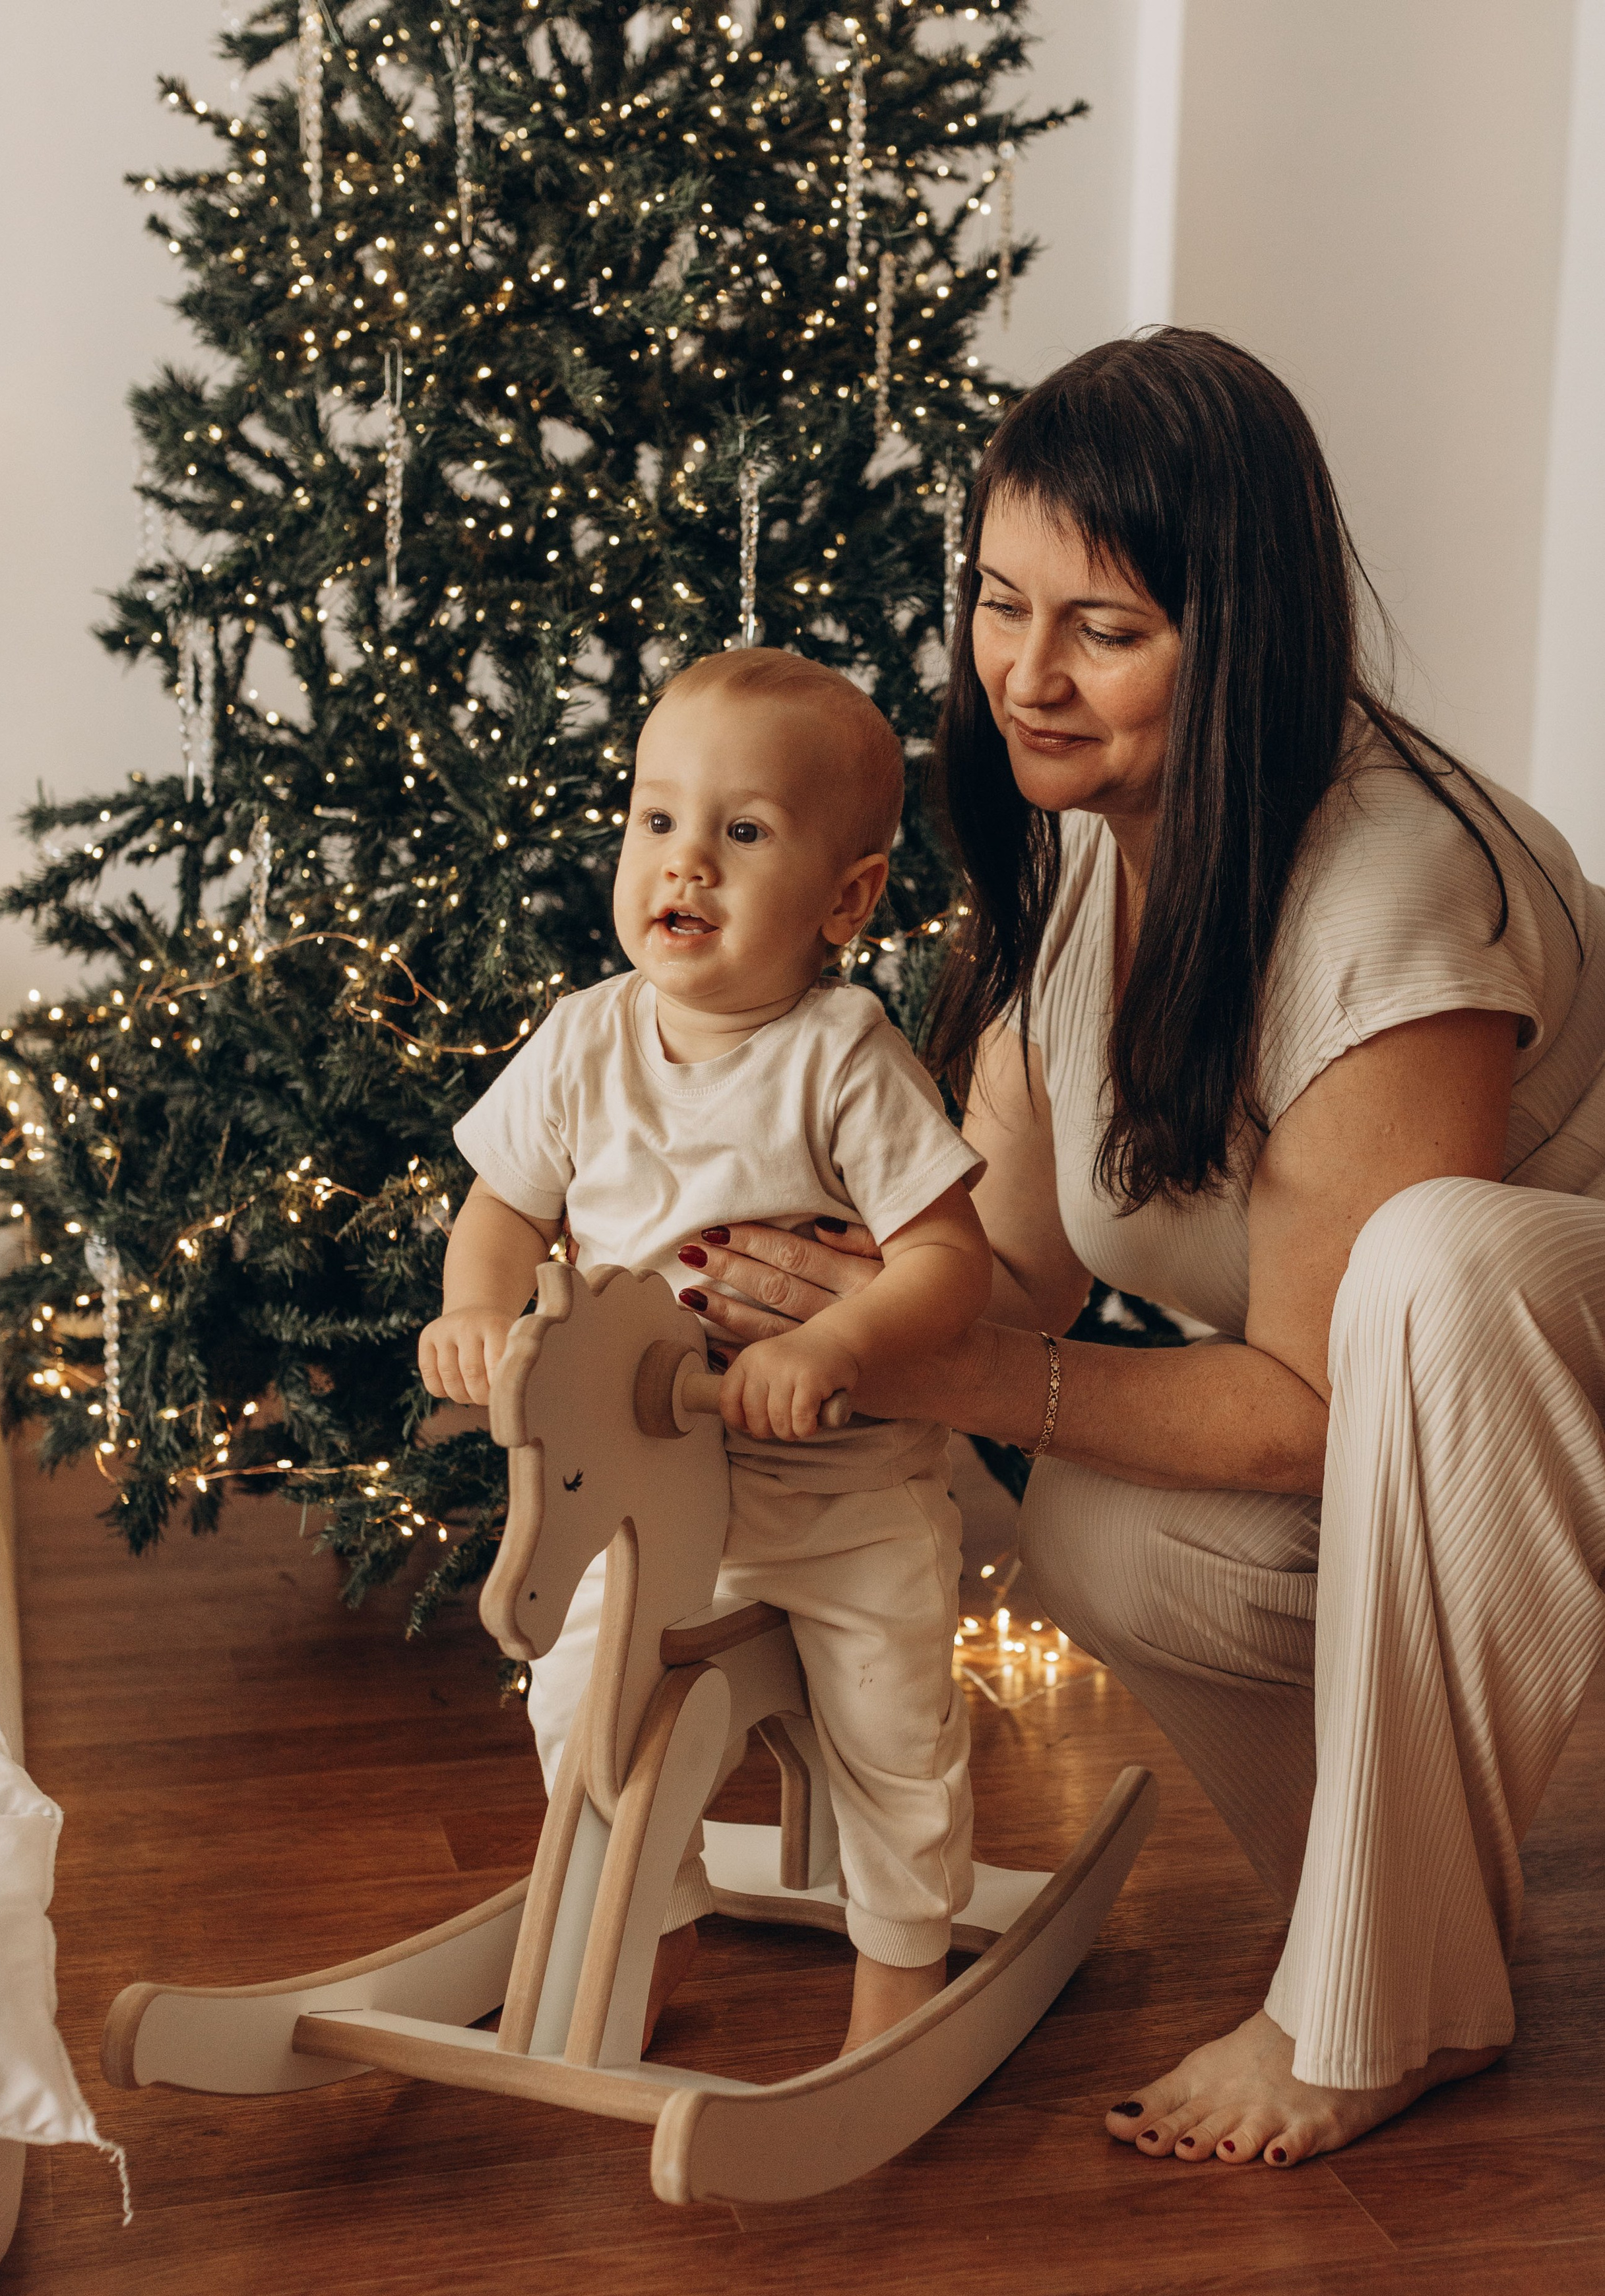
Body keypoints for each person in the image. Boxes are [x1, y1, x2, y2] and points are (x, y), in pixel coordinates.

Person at [676, 329, 1605, 2166]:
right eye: (998, 603)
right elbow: (1017, 1265)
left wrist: (960, 1367)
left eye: (1102, 629)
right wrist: (835, 1294)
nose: (1025, 676)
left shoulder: (1392, 892)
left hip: (1534, 1396)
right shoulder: (1089, 830)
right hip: (1426, 1451)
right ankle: (1400, 1937)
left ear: (1240, 634)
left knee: (1438, 1263)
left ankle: (1373, 2005)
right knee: (1099, 1528)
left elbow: (1328, 1403)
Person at [419, 647, 993, 2055]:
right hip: (654, 1494)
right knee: (576, 1692)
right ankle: (654, 1914)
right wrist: (479, 1311)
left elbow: (948, 1260)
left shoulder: (842, 1056)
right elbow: (502, 1209)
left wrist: (835, 1343)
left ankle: (899, 1969)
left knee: (890, 1728)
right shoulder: (583, 1041)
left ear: (845, 900)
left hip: (838, 1497)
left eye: (741, 832)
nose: (683, 865)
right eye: (656, 821)